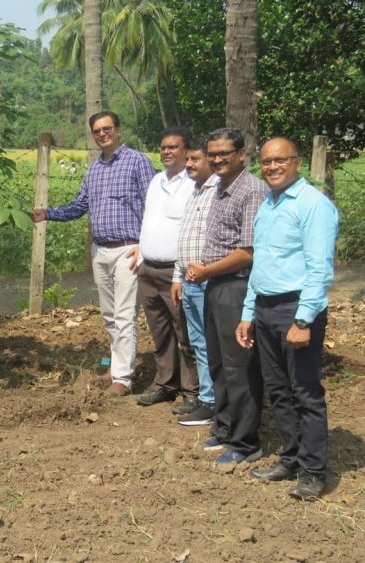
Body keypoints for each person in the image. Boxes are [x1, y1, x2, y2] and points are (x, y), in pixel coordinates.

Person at [236, 137, 338, 500]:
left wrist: (304, 320)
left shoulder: (313, 205)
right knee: (278, 390)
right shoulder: (268, 204)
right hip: (265, 307)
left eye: (280, 161)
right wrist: (249, 313)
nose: (273, 167)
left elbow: (320, 269)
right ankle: (291, 457)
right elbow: (260, 265)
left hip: (296, 308)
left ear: (297, 163)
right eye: (266, 162)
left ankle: (313, 471)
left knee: (305, 391)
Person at [32, 111, 155, 396]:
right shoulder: (95, 169)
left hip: (128, 249)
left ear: (118, 129)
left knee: (125, 316)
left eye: (107, 128)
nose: (102, 134)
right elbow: (79, 206)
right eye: (97, 131)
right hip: (101, 251)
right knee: (110, 315)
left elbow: (154, 206)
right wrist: (46, 213)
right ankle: (114, 366)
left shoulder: (137, 162)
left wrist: (144, 244)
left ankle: (123, 379)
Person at [185, 128, 266, 465]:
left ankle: (246, 443)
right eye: (213, 153)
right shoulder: (219, 188)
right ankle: (225, 427)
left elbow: (247, 252)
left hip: (236, 285)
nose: (217, 159)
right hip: (215, 285)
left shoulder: (251, 191)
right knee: (218, 361)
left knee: (240, 367)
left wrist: (206, 270)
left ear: (242, 154)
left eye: (224, 153)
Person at [134, 127, 199, 413]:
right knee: (159, 331)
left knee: (184, 332)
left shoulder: (193, 183)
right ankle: (165, 384)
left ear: (185, 151)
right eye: (163, 147)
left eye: (173, 147)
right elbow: (151, 220)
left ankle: (192, 390)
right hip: (148, 268)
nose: (167, 151)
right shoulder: (156, 181)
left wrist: (182, 271)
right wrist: (140, 248)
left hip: (175, 271)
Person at [171, 137, 221, 426]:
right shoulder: (195, 192)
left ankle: (213, 401)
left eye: (194, 160)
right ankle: (206, 398)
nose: (188, 164)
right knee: (198, 342)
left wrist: (205, 270)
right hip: (189, 280)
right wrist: (178, 276)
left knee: (209, 343)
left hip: (207, 280)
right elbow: (186, 238)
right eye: (187, 159)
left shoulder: (217, 192)